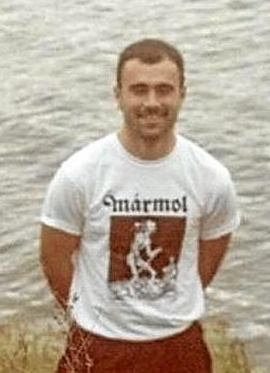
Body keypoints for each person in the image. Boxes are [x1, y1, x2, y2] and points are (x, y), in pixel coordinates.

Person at [39, 38, 241, 373]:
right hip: (98, 346)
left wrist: (169, 305)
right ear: (117, 95)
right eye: (139, 90)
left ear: (182, 94)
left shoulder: (211, 177)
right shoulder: (79, 174)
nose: (151, 103)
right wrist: (92, 314)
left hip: (179, 348)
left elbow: (208, 258)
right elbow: (54, 257)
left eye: (164, 90)